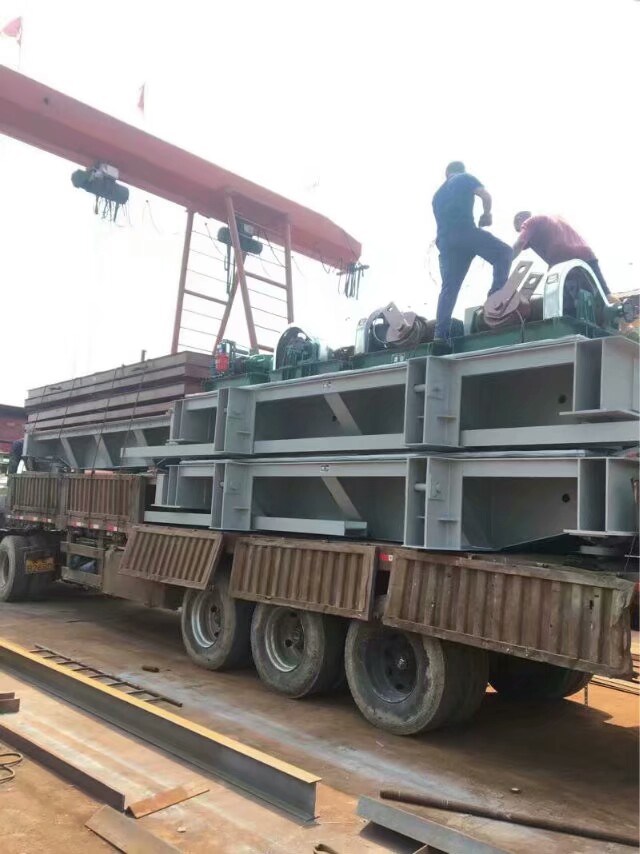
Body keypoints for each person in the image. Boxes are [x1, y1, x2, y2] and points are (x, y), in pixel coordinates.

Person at [432, 161, 512, 341]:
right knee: (504, 253)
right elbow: (486, 196)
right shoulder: (464, 178)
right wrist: (486, 214)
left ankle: (440, 335)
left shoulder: (436, 196)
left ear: (446, 174)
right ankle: (494, 303)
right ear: (460, 170)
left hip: (445, 243)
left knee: (449, 288)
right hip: (466, 232)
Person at [512, 211, 610, 295]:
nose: (521, 232)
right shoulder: (554, 219)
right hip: (587, 256)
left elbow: (520, 243)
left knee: (568, 303)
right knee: (604, 296)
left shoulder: (530, 222)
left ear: (519, 219)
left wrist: (506, 260)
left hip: (567, 263)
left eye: (520, 230)